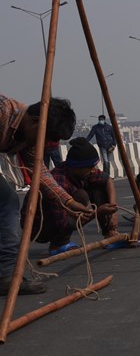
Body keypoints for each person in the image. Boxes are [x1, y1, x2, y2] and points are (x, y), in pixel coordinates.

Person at [0, 95, 83, 295]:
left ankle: (7, 275)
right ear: (36, 121)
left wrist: (68, 201)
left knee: (7, 201)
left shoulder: (28, 134)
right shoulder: (3, 111)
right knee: (7, 201)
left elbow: (40, 173)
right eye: (45, 138)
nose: (44, 144)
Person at [23, 137, 120, 255]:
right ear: (76, 167)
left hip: (60, 216)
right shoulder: (59, 179)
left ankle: (110, 233)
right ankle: (58, 244)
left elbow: (107, 180)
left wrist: (113, 210)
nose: (93, 171)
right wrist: (97, 212)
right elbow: (64, 223)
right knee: (81, 196)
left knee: (99, 186)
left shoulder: (84, 172)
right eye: (90, 167)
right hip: (40, 225)